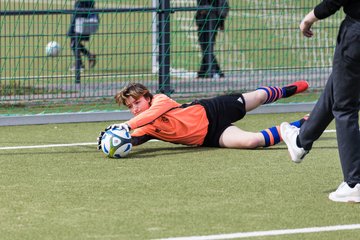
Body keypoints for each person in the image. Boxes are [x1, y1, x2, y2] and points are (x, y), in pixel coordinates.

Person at [280, 0, 360, 203]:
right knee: (338, 88)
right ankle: (300, 141)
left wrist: (309, 18)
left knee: (345, 107)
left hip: (356, 33)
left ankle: (354, 183)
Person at [97, 80, 309, 151]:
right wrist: (114, 141)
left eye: (137, 102)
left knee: (260, 96)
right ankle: (300, 125)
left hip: (213, 109)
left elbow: (147, 116)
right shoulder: (146, 127)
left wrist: (125, 124)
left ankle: (289, 90)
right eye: (130, 106)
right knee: (251, 141)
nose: (135, 108)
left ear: (146, 96)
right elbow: (135, 137)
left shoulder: (160, 100)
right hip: (209, 136)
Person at [195, 0, 229, 78]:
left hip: (209, 18)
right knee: (206, 47)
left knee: (206, 47)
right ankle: (204, 71)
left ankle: (213, 71)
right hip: (210, 18)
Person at [67, 0, 97, 71]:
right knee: (74, 42)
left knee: (74, 43)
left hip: (82, 20)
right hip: (86, 19)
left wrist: (72, 29)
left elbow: (78, 15)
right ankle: (89, 56)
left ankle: (79, 64)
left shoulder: (81, 3)